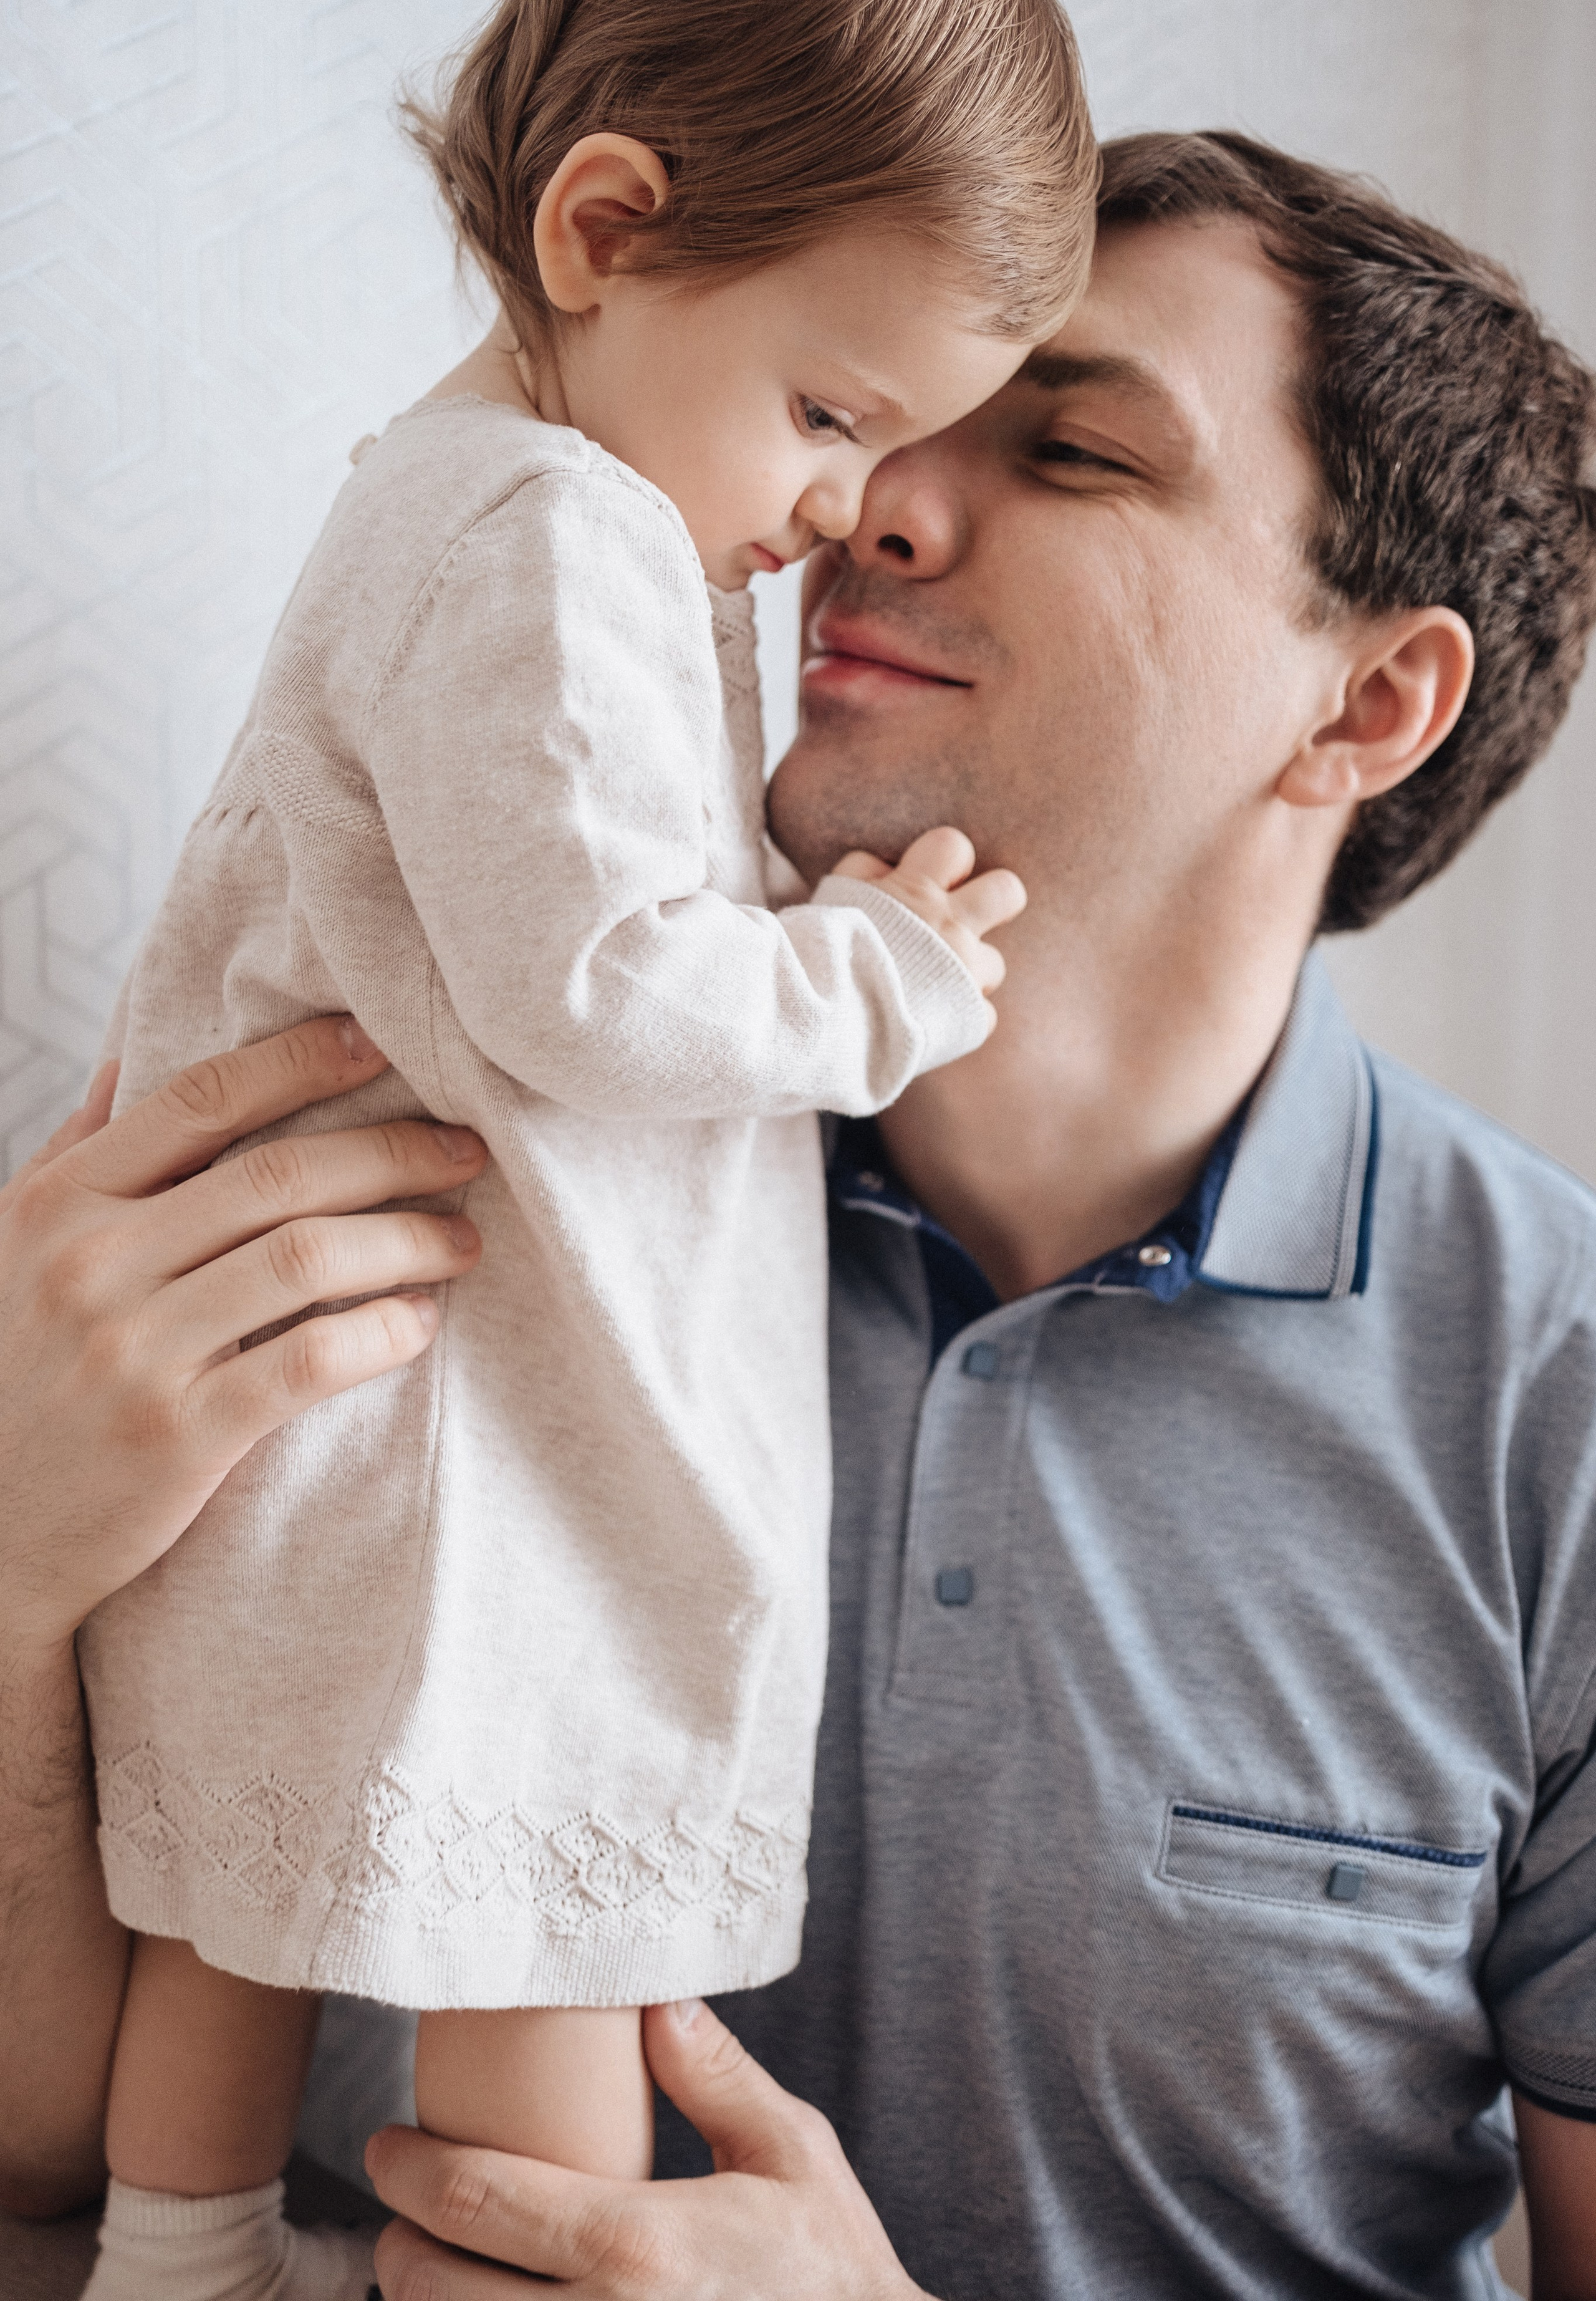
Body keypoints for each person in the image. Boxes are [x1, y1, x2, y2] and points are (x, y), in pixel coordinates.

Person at [6, 127, 1596, 2298]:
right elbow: (33, 2172)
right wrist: (11, 1577)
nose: (864, 504)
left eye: (1081, 454)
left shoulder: (1562, 1421)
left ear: (1371, 700)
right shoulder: (380, 1135)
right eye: (875, 417)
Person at [67, 0, 1085, 2296]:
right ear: (606, 234)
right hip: (462, 1442)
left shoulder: (503, 493)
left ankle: (175, 2255)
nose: (849, 508)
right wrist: (879, 978)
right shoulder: (547, 533)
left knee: (246, 1899)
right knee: (530, 1903)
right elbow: (599, 986)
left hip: (366, 1398)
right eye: (834, 418)